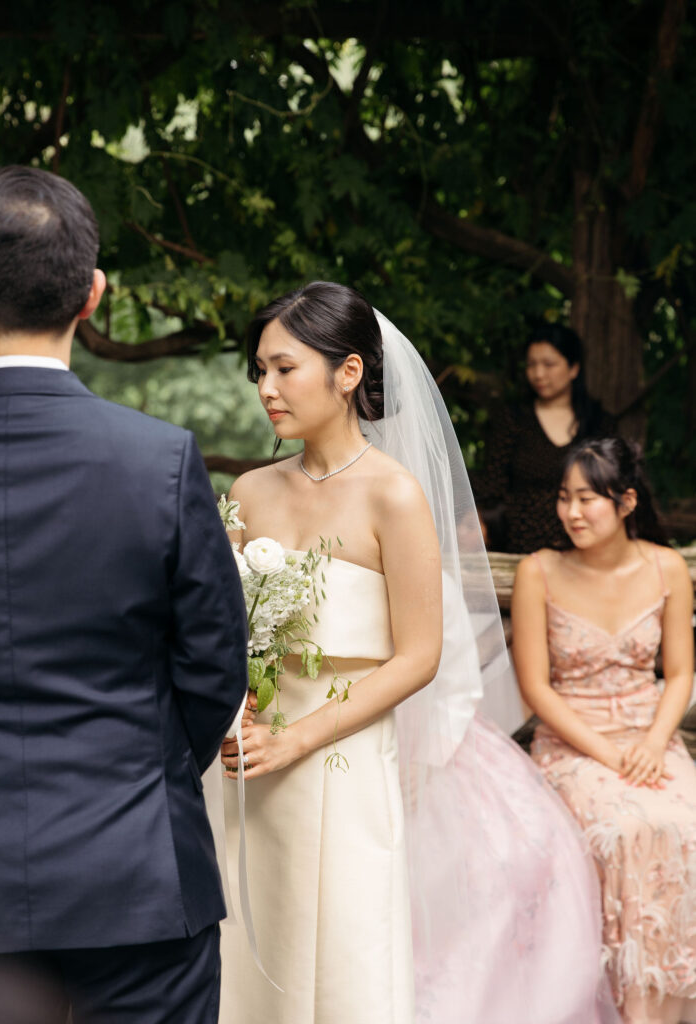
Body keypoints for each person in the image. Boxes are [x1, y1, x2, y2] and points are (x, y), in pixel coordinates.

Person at [219, 281, 620, 1024]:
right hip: (246, 754)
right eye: (259, 371)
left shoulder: (393, 496)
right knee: (247, 941)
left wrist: (299, 737)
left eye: (283, 368)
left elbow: (418, 656)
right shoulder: (248, 489)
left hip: (337, 754)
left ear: (347, 374)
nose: (266, 388)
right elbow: (224, 630)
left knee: (340, 943)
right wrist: (232, 709)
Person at [0, 166, 248, 1024]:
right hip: (134, 872)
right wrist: (143, 776)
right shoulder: (158, 459)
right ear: (93, 295)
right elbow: (213, 671)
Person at [512, 438, 696, 1024]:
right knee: (621, 829)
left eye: (587, 498)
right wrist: (611, 756)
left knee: (684, 822)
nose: (571, 512)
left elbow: (681, 671)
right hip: (574, 744)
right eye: (564, 497)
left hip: (652, 738)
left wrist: (650, 743)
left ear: (626, 502)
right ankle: (619, 1007)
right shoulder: (538, 571)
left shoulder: (667, 567)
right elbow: (536, 690)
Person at [475, 322, 616, 552]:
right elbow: (492, 488)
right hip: (519, 548)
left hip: (585, 548)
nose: (538, 374)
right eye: (531, 365)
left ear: (573, 369)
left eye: (549, 364)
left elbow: (611, 491)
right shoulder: (513, 420)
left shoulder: (599, 424)